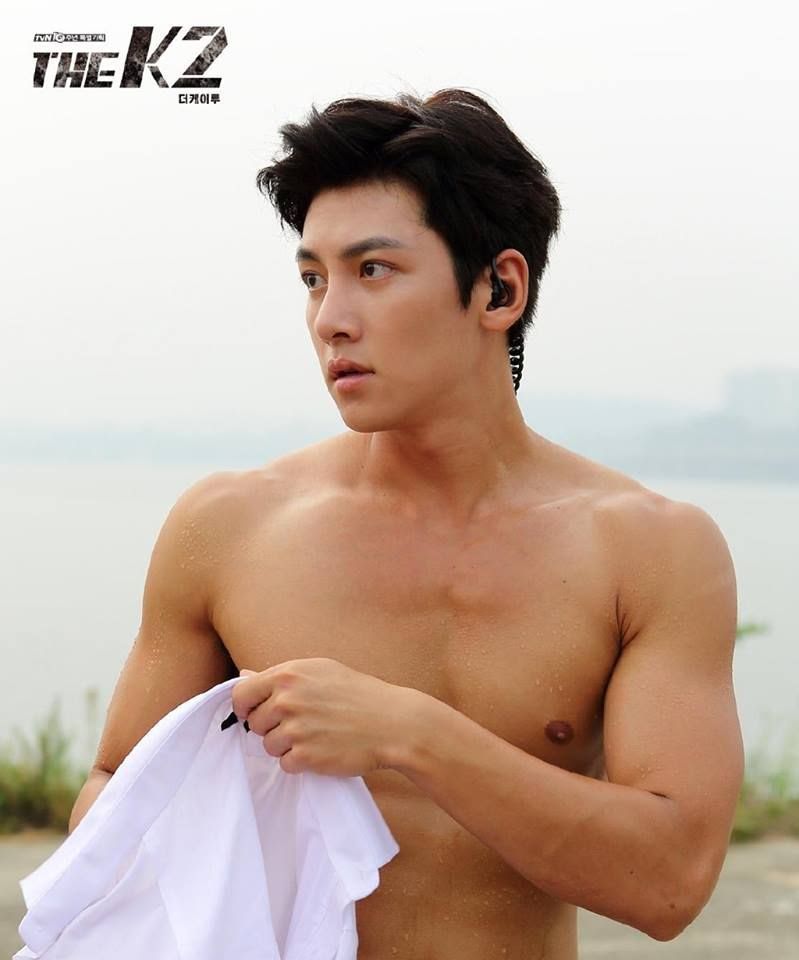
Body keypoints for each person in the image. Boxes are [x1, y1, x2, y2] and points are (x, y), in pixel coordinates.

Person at [69, 88, 744, 958]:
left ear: (498, 288)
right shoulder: (230, 527)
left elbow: (669, 884)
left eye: (373, 270)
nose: (329, 319)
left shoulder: (648, 550)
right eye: (312, 278)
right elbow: (116, 794)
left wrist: (408, 733)